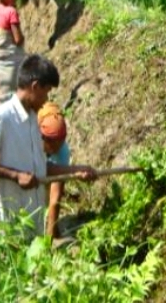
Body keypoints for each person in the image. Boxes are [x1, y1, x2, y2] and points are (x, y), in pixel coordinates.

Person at [0, 55, 94, 238]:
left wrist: (76, 171)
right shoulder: (4, 118)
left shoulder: (33, 119)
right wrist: (16, 176)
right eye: (46, 92)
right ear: (34, 87)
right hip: (7, 228)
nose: (46, 99)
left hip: (31, 222)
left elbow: (40, 168)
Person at [37, 102, 94, 240]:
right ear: (41, 137)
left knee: (48, 200)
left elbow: (55, 199)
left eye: (59, 143)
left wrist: (47, 245)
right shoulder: (30, 143)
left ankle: (52, 229)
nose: (55, 148)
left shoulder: (62, 152)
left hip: (46, 172)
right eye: (50, 145)